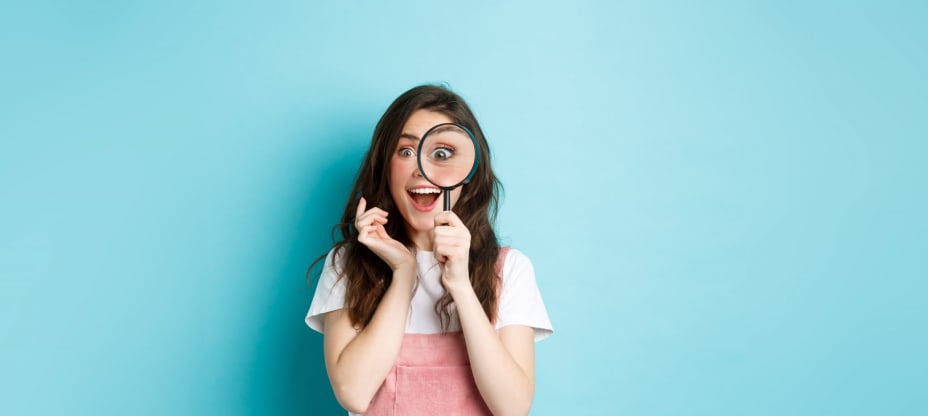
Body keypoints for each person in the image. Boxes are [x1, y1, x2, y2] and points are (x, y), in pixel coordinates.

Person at [306, 84, 553, 415]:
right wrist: (403, 272)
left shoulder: (510, 270)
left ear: (469, 174)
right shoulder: (347, 264)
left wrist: (461, 286)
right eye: (405, 152)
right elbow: (353, 392)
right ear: (385, 167)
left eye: (442, 153)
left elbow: (513, 407)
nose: (422, 167)